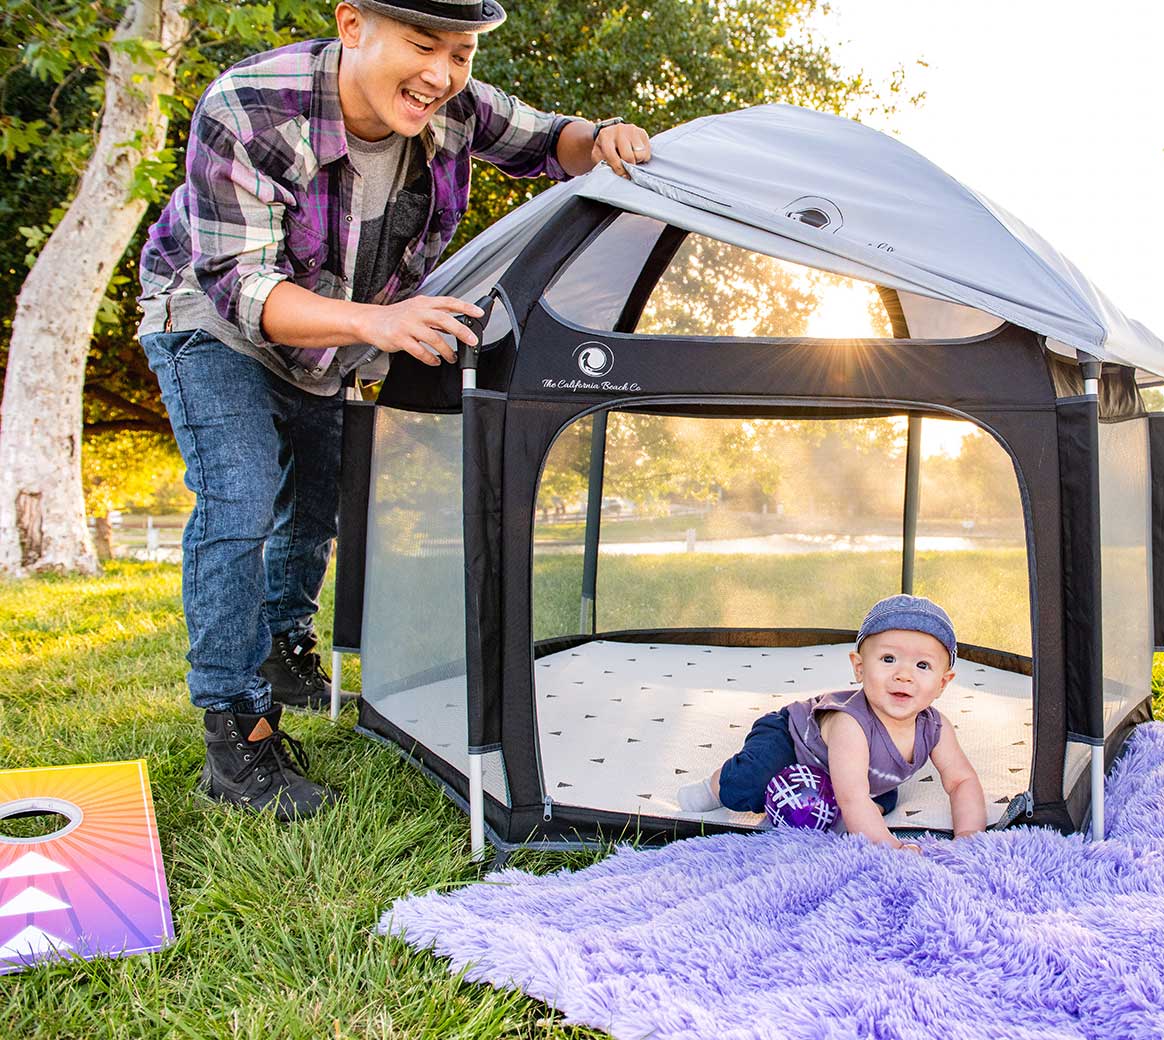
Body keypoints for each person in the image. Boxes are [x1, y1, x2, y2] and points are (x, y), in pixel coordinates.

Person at [136, 0, 652, 822]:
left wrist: (604, 137)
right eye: (422, 46)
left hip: (332, 333)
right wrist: (380, 325)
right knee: (240, 496)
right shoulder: (250, 105)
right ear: (351, 26)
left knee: (320, 504)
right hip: (210, 317)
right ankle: (234, 732)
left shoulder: (455, 106)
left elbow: (554, 139)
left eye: (461, 54)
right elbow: (243, 288)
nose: (442, 76)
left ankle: (281, 649)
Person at [677, 595, 988, 850]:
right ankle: (717, 784)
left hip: (852, 775)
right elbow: (852, 794)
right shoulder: (850, 724)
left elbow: (961, 781)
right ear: (860, 668)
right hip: (791, 740)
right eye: (888, 659)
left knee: (878, 800)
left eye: (922, 665)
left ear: (944, 683)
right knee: (750, 783)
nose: (903, 674)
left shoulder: (936, 728)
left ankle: (856, 809)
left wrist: (969, 838)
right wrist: (888, 846)